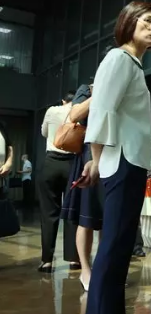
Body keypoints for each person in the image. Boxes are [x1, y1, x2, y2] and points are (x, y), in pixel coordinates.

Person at [79, 1, 151, 314]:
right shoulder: (118, 59)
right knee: (113, 247)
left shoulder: (133, 64)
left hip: (132, 161)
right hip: (120, 161)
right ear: (128, 22)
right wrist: (96, 159)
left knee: (122, 246)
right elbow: (101, 110)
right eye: (147, 20)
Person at [60, 82, 102, 292]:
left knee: (107, 220)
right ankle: (85, 270)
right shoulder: (88, 88)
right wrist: (99, 93)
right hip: (89, 154)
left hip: (113, 153)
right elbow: (74, 115)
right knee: (86, 218)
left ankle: (103, 269)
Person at [37, 92, 80, 273]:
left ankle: (47, 261)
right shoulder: (82, 111)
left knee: (49, 213)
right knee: (72, 211)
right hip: (72, 165)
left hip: (51, 163)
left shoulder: (52, 110)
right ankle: (74, 259)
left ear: (63, 100)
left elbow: (44, 132)